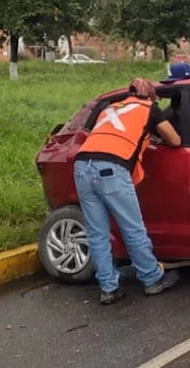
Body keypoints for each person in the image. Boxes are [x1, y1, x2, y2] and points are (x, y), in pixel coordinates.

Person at [74, 78, 183, 305]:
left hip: (82, 166)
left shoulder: (111, 106)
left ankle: (108, 288)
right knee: (132, 227)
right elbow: (174, 140)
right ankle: (152, 278)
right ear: (150, 96)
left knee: (97, 233)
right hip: (111, 170)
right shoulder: (148, 109)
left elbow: (100, 133)